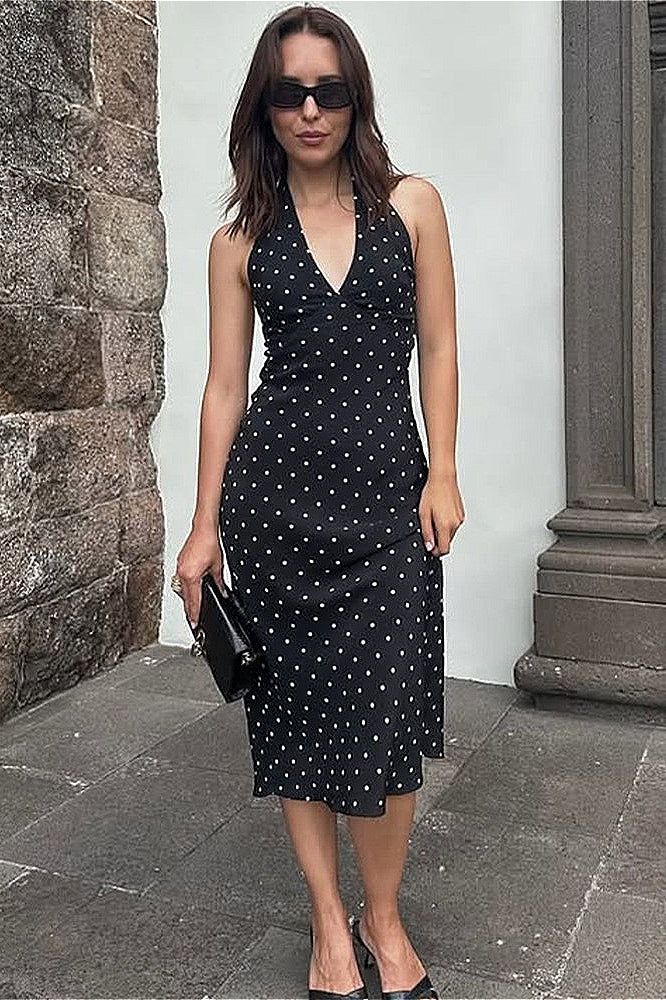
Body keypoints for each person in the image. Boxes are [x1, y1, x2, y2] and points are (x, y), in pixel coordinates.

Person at [173, 4, 463, 998]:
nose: (309, 110)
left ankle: (383, 915)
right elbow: (225, 387)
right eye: (289, 92)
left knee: (386, 721)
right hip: (275, 509)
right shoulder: (240, 239)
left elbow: (440, 347)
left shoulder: (412, 206)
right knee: (293, 717)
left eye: (328, 90)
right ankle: (328, 923)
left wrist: (444, 469)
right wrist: (203, 528)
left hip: (387, 503)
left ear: (354, 97)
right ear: (265, 106)